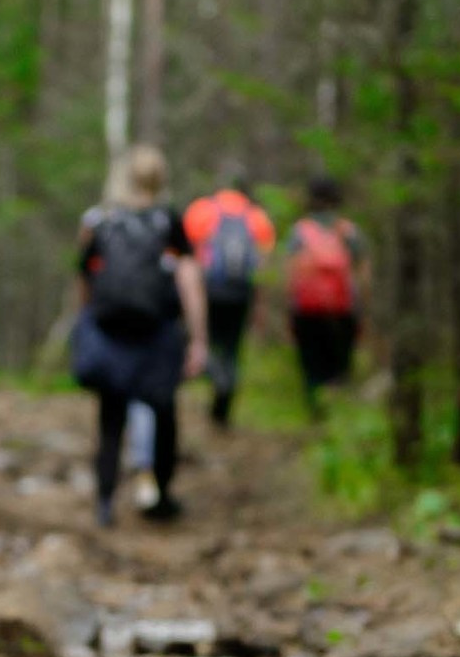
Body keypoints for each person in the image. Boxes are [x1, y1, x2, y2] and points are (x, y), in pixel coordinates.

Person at [71, 145, 207, 528]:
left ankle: (104, 502)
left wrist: (85, 322)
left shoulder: (100, 220)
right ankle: (160, 495)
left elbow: (84, 276)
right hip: (157, 332)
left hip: (110, 329)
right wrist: (197, 337)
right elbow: (189, 279)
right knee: (164, 413)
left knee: (110, 420)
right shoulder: (168, 220)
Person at [182, 171, 276, 429]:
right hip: (241, 293)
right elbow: (263, 268)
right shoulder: (257, 217)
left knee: (209, 342)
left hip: (209, 291)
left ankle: (215, 377)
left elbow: (188, 259)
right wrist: (260, 306)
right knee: (232, 349)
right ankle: (222, 408)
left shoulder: (201, 210)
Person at [281, 174, 367, 414]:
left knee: (312, 366)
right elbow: (363, 275)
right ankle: (335, 418)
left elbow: (290, 275)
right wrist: (361, 308)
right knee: (338, 367)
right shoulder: (349, 231)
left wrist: (289, 309)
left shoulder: (300, 232)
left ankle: (316, 412)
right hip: (342, 310)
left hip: (306, 310)